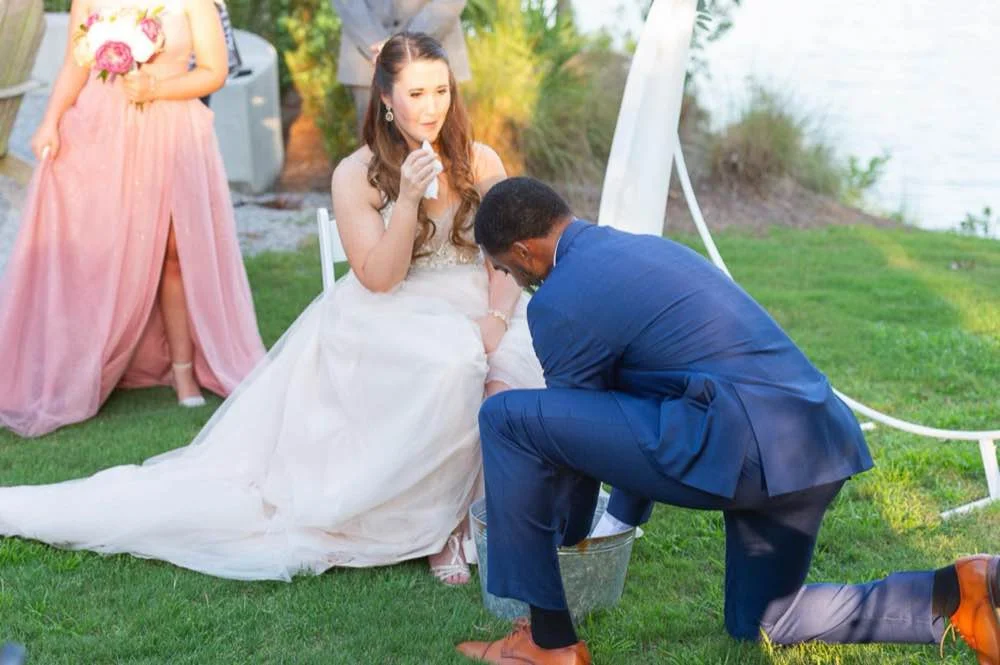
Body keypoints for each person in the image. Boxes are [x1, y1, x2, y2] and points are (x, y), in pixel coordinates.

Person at [0, 33, 543, 587]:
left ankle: (506, 513)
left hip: (483, 304)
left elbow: (509, 260)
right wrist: (405, 200)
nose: (432, 107)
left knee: (516, 368)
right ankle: (442, 528)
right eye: (416, 93)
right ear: (385, 99)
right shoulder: (355, 173)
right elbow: (379, 279)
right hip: (393, 310)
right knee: (450, 366)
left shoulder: (482, 161)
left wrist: (497, 322)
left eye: (441, 91)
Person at [456, 176, 1000, 664]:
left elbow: (571, 444)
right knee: (763, 623)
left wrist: (567, 535)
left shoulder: (559, 302)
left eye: (505, 268)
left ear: (525, 252)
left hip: (746, 449)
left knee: (506, 415)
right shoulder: (646, 251)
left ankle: (550, 644)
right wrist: (616, 518)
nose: (513, 279)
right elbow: (610, 414)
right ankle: (957, 591)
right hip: (814, 447)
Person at [0, 0, 265, 437]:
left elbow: (214, 72)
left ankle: (183, 370)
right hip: (101, 130)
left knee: (174, 251)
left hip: (172, 129)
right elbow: (75, 63)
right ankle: (93, 362)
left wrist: (155, 90)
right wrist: (49, 121)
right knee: (110, 247)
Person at [332, 0, 470, 137]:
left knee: (446, 143)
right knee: (375, 145)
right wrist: (379, 45)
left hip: (435, 50)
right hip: (368, 58)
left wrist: (405, 44)